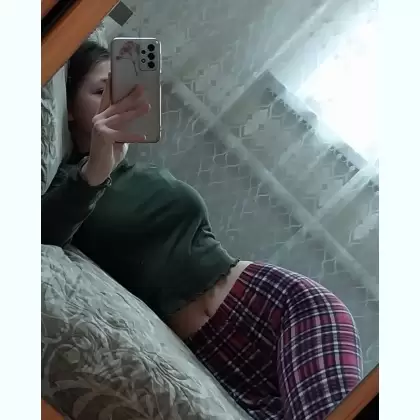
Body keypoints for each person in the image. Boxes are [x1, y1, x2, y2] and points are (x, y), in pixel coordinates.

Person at [42, 40, 362, 420]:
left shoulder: (142, 172)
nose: (114, 103)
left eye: (121, 92)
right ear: (70, 110)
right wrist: (96, 166)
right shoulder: (70, 183)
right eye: (100, 92)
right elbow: (45, 232)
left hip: (275, 305)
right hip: (213, 349)